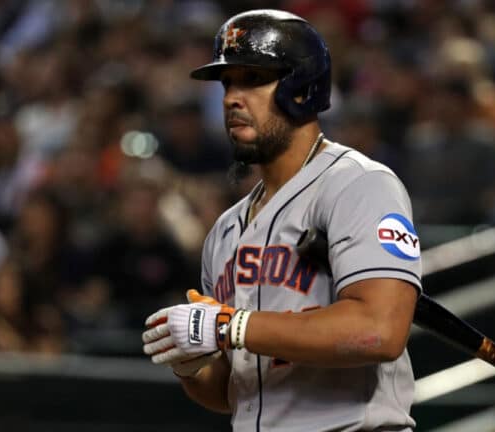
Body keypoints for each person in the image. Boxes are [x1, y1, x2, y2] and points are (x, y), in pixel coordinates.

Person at [141, 9, 421, 432]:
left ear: (302, 87)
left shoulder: (359, 186)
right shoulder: (225, 231)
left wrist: (231, 325)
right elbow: (232, 394)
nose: (232, 97)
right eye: (227, 83)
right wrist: (192, 363)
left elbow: (379, 330)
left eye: (252, 79)